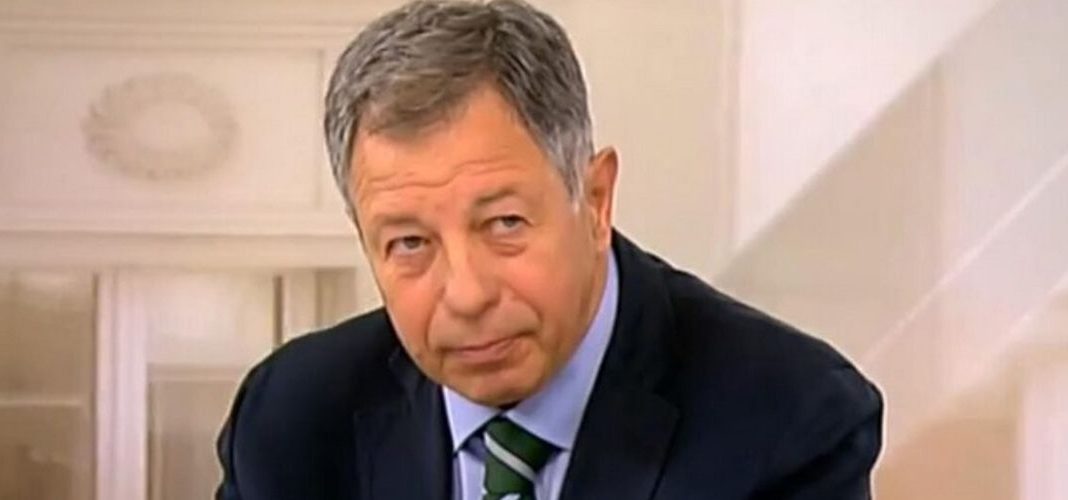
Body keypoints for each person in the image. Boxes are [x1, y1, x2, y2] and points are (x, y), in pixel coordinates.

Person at [215, 1, 883, 498]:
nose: (467, 294)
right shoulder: (291, 422)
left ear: (595, 199)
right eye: (410, 243)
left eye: (504, 223)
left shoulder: (788, 420)